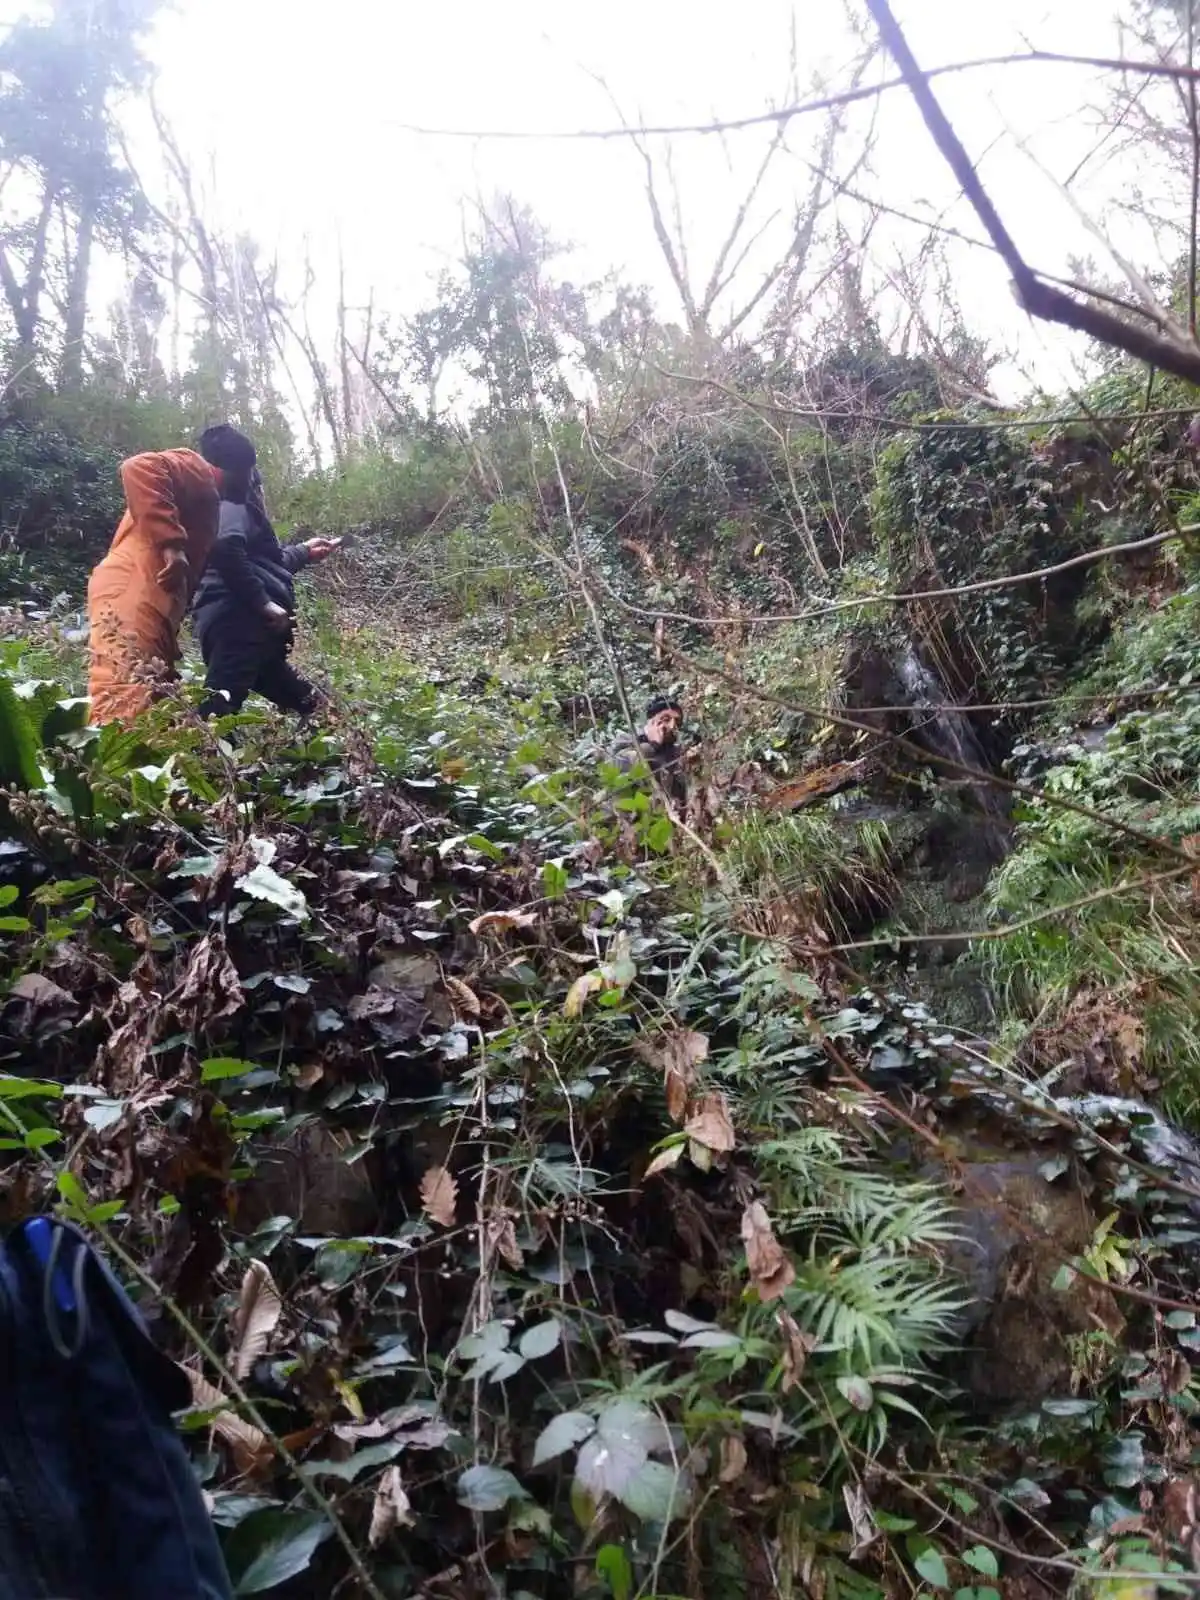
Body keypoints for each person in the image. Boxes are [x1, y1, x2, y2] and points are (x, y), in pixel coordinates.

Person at [193, 425, 339, 719]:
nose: (256, 485)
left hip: (256, 634)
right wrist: (264, 602)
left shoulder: (241, 512)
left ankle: (320, 756)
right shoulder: (230, 503)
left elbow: (266, 562)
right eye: (250, 475)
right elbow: (224, 548)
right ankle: (199, 760)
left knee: (312, 703)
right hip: (239, 624)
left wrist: (305, 551)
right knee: (215, 714)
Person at [86, 447, 227, 725]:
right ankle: (113, 765)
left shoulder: (207, 507)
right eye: (252, 480)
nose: (253, 490)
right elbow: (138, 466)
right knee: (124, 696)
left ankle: (146, 764)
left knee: (155, 698)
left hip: (153, 602)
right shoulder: (198, 470)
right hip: (131, 592)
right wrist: (172, 546)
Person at [613, 694, 688, 807]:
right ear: (651, 721)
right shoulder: (626, 740)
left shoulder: (677, 754)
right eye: (666, 719)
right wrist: (652, 745)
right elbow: (622, 769)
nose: (672, 726)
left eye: (677, 723)